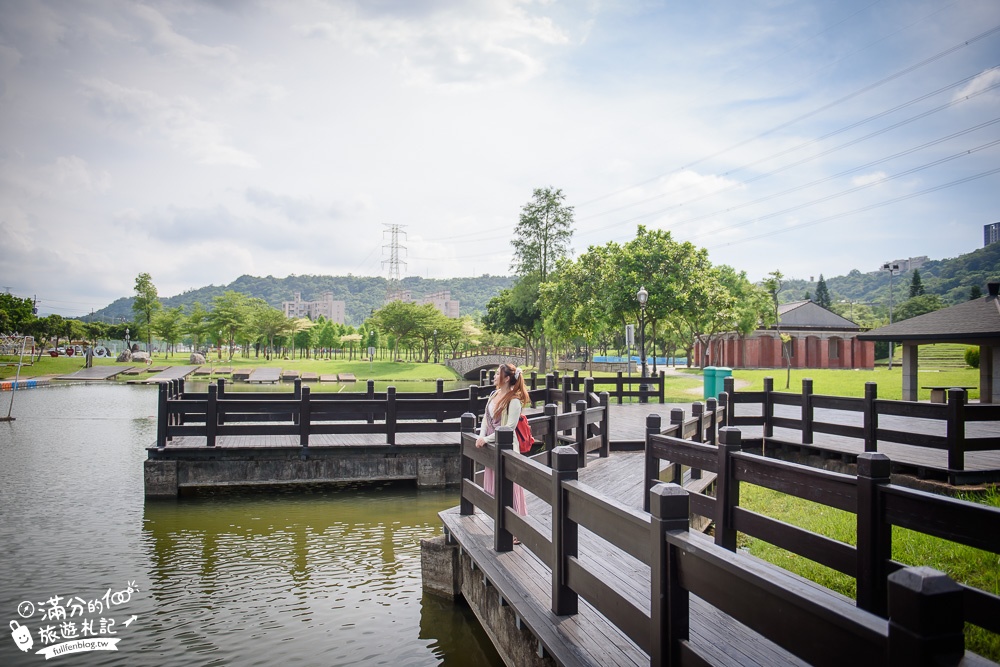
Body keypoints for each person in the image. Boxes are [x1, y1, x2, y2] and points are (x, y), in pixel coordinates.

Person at [475, 363, 530, 524]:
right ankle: (500, 522)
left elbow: (509, 428)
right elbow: (486, 418)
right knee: (494, 485)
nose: (494, 376)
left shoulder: (514, 401)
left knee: (510, 488)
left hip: (507, 448)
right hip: (492, 446)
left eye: (497, 374)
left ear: (506, 378)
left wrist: (486, 439)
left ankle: (517, 528)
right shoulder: (494, 394)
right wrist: (481, 435)